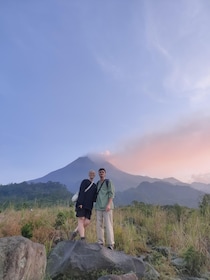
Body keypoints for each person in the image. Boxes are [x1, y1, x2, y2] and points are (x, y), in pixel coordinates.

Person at [70, 170, 97, 241]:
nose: (92, 174)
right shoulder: (84, 181)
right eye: (91, 173)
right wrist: (80, 203)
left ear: (95, 175)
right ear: (88, 174)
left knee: (87, 222)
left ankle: (75, 232)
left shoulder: (94, 186)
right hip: (81, 204)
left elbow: (94, 198)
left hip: (89, 206)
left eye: (93, 174)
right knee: (81, 220)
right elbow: (81, 191)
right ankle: (82, 238)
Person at [95, 168, 115, 250]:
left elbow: (111, 194)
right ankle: (100, 242)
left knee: (108, 225)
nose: (101, 173)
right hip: (98, 207)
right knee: (99, 225)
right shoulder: (97, 183)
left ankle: (110, 244)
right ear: (98, 174)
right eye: (100, 172)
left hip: (107, 207)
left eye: (102, 172)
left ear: (105, 173)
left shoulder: (108, 182)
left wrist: (109, 205)